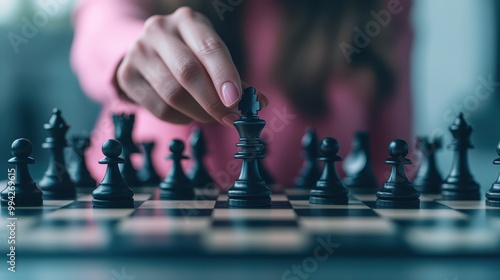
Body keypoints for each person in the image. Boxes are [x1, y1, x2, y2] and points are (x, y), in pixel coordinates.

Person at [71, 0, 413, 189]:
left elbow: (393, 158)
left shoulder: (381, 9)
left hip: (322, 252)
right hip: (140, 241)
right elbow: (100, 27)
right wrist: (132, 49)